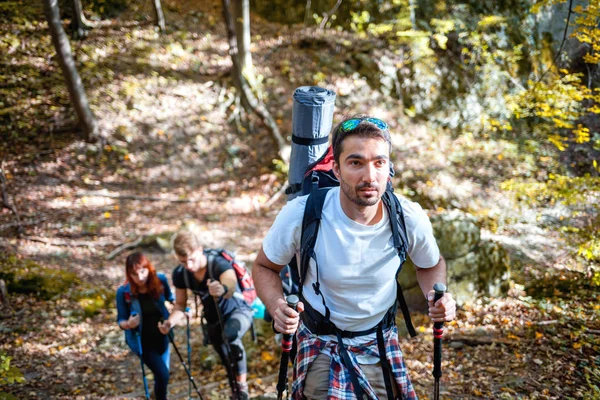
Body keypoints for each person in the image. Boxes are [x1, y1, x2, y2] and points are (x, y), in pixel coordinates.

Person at [253, 116, 457, 399]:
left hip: (379, 342)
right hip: (319, 342)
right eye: (356, 163)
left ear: (389, 168)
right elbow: (264, 266)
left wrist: (437, 296)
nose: (370, 176)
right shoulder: (302, 214)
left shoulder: (407, 218)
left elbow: (431, 265)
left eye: (379, 163)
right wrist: (276, 305)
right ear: (336, 169)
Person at [158, 230, 253, 400]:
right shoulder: (180, 274)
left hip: (237, 311)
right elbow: (180, 304)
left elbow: (230, 284)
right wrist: (169, 323)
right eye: (183, 261)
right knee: (223, 353)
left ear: (199, 249)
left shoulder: (217, 263)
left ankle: (242, 388)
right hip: (212, 318)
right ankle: (235, 391)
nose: (188, 265)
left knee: (230, 337)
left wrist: (222, 289)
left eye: (191, 259)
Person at [116, 252, 174, 400]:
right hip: (142, 342)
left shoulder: (159, 280)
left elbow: (172, 298)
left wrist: (183, 310)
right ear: (129, 274)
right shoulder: (123, 292)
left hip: (162, 335)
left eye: (143, 271)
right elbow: (120, 321)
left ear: (149, 268)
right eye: (135, 274)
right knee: (163, 374)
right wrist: (128, 324)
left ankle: (157, 394)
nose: (140, 277)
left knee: (162, 375)